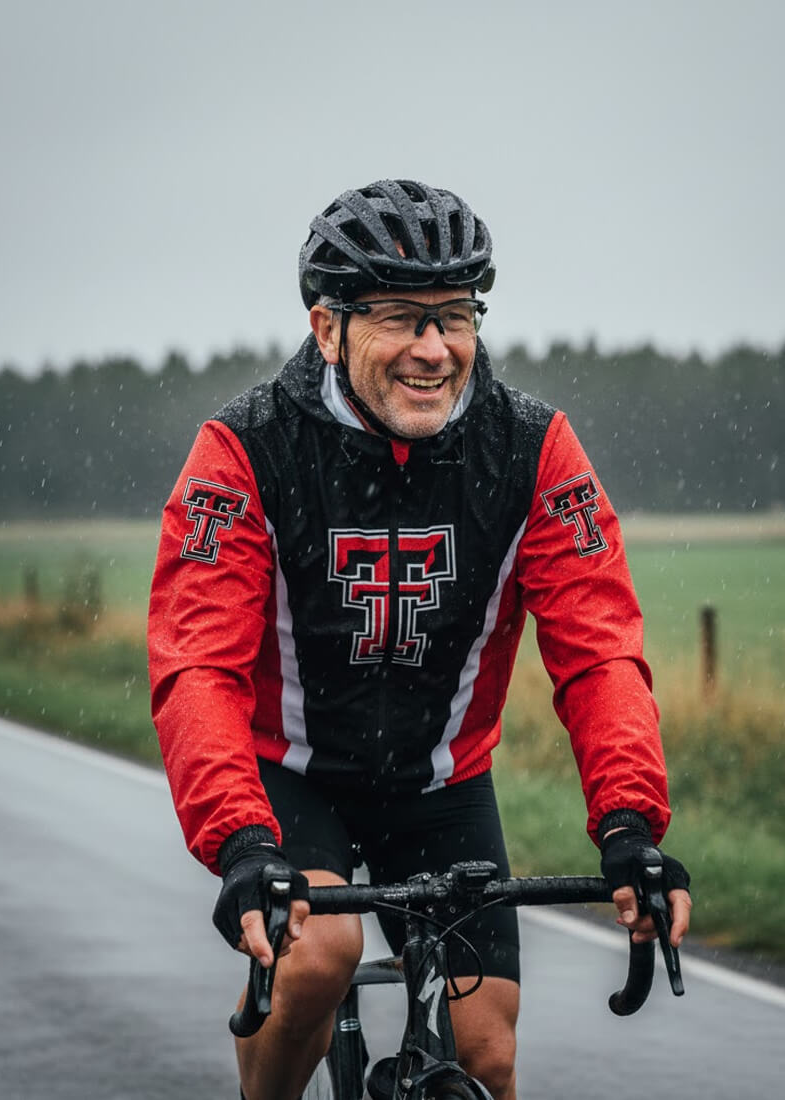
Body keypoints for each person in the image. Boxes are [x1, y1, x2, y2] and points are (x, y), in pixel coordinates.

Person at [147, 179, 691, 1100]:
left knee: (486, 1056)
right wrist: (242, 844)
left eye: (455, 317)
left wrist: (631, 825)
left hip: (440, 782)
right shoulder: (245, 450)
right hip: (293, 776)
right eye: (401, 318)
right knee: (321, 955)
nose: (434, 350)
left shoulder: (531, 449)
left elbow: (599, 651)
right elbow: (197, 664)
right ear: (327, 329)